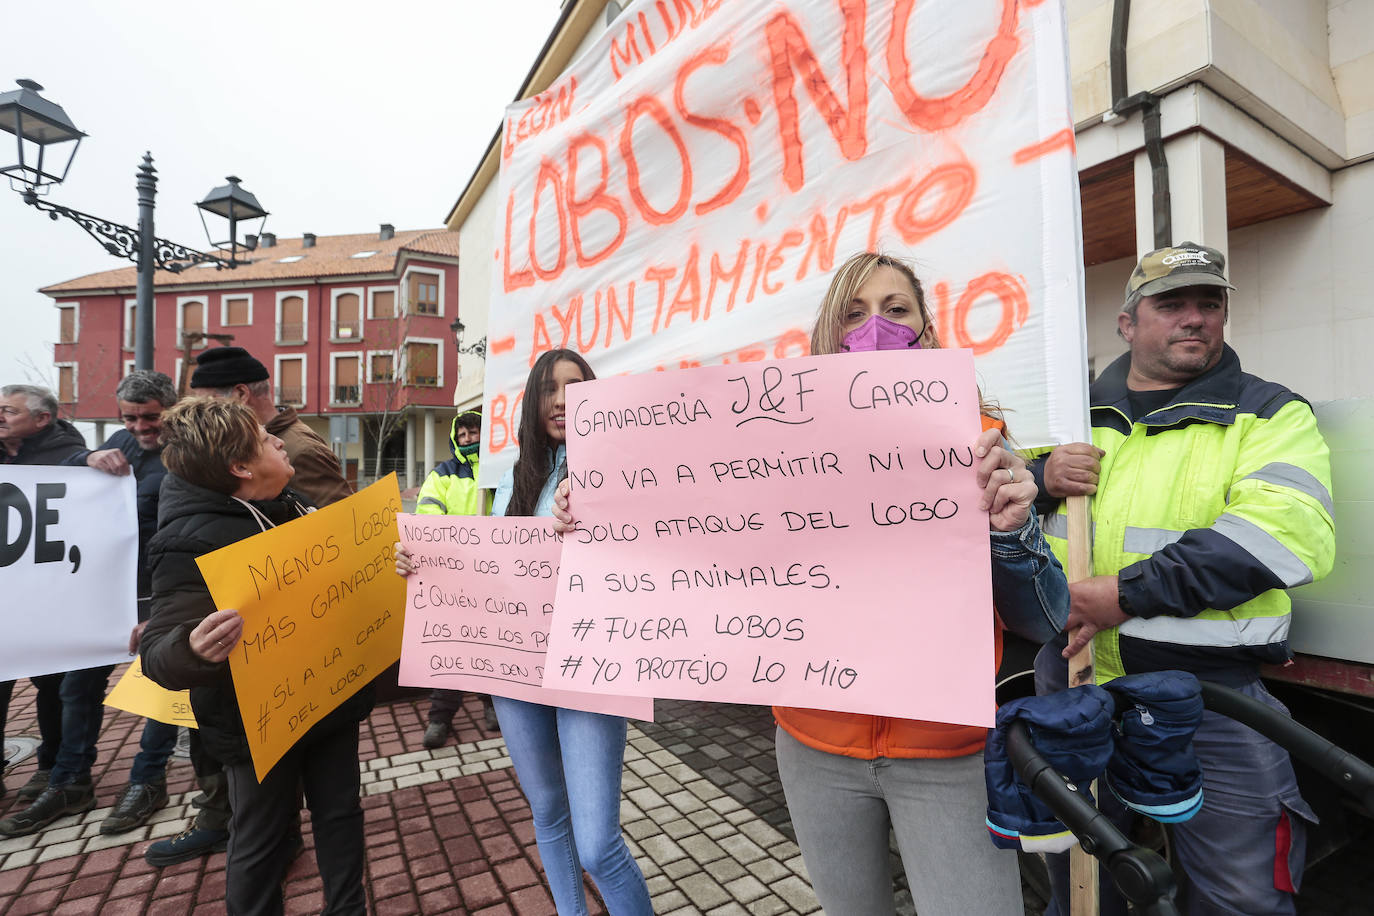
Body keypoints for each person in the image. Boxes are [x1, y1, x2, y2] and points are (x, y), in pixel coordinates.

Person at [547, 253, 1069, 916]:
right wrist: (596, 513)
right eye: (854, 314)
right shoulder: (768, 452)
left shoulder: (982, 447)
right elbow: (690, 542)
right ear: (827, 339)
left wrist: (1011, 532)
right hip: (815, 751)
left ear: (927, 331)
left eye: (895, 310)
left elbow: (1044, 619)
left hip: (948, 756)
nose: (875, 328)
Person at [1028, 241, 1335, 915]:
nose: (1194, 318)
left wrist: (1119, 597)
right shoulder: (1063, 416)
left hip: (1211, 700)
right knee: (1078, 880)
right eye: (1171, 304)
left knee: (1240, 896)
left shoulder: (1272, 414)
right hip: (1070, 676)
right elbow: (985, 507)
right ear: (1128, 322)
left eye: (1209, 303)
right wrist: (1039, 477)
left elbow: (1285, 535)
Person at [396, 350, 653, 916]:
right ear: (533, 402)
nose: (562, 400)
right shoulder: (520, 476)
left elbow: (650, 546)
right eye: (549, 390)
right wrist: (422, 560)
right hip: (516, 672)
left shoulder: (624, 466)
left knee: (598, 843)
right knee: (546, 812)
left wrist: (599, 514)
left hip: (589, 666)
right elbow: (488, 560)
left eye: (576, 387)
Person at [140, 397, 371, 915]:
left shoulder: (291, 503)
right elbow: (158, 652)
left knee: (340, 815)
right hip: (256, 724)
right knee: (262, 837)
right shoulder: (186, 540)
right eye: (265, 439)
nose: (278, 440)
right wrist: (191, 647)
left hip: (328, 701)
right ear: (241, 467)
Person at [58, 370, 180, 834]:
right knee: (77, 686)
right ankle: (71, 778)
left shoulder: (189, 451)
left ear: (170, 408)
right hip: (109, 592)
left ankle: (148, 780)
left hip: (162, 593)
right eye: (129, 418)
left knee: (160, 689)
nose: (138, 428)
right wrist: (88, 456)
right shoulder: (119, 440)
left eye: (149, 418)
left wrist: (166, 609)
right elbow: (60, 472)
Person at [0, 384, 102, 829]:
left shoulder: (68, 454)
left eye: (8, 411)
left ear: (42, 419)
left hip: (51, 597)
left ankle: (52, 764)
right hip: (9, 599)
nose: (0, 417)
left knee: (54, 686)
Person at [415, 408, 499, 747]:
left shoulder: (500, 472)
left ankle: (492, 704)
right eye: (462, 436)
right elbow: (427, 512)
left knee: (492, 644)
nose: (467, 440)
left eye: (473, 434)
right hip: (453, 576)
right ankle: (440, 717)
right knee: (453, 648)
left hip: (494, 576)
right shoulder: (443, 474)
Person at [189, 346, 353, 507]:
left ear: (241, 394)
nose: (203, 412)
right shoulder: (237, 444)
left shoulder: (302, 450)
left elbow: (342, 520)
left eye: (209, 402)